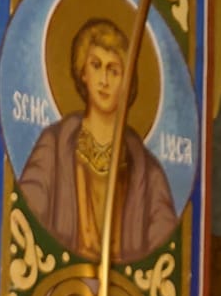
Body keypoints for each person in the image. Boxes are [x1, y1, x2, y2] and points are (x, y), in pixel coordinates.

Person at [18, 16, 178, 264]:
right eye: (96, 65)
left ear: (126, 83)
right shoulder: (54, 147)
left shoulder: (147, 171)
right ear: (83, 72)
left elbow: (165, 244)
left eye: (114, 71)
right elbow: (27, 215)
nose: (104, 80)